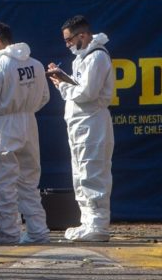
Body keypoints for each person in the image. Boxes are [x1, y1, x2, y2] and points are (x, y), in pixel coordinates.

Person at [0, 22, 51, 244]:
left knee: (3, 182)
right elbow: (45, 97)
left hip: (4, 126)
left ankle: (8, 233)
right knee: (29, 181)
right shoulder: (36, 64)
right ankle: (38, 232)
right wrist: (24, 109)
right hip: (29, 123)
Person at [47, 15, 115, 242]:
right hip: (79, 123)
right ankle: (88, 221)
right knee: (80, 173)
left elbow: (87, 93)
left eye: (69, 39)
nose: (67, 44)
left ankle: (98, 224)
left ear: (83, 35)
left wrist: (62, 86)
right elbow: (80, 88)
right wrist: (64, 79)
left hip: (92, 122)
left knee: (92, 172)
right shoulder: (82, 59)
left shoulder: (97, 57)